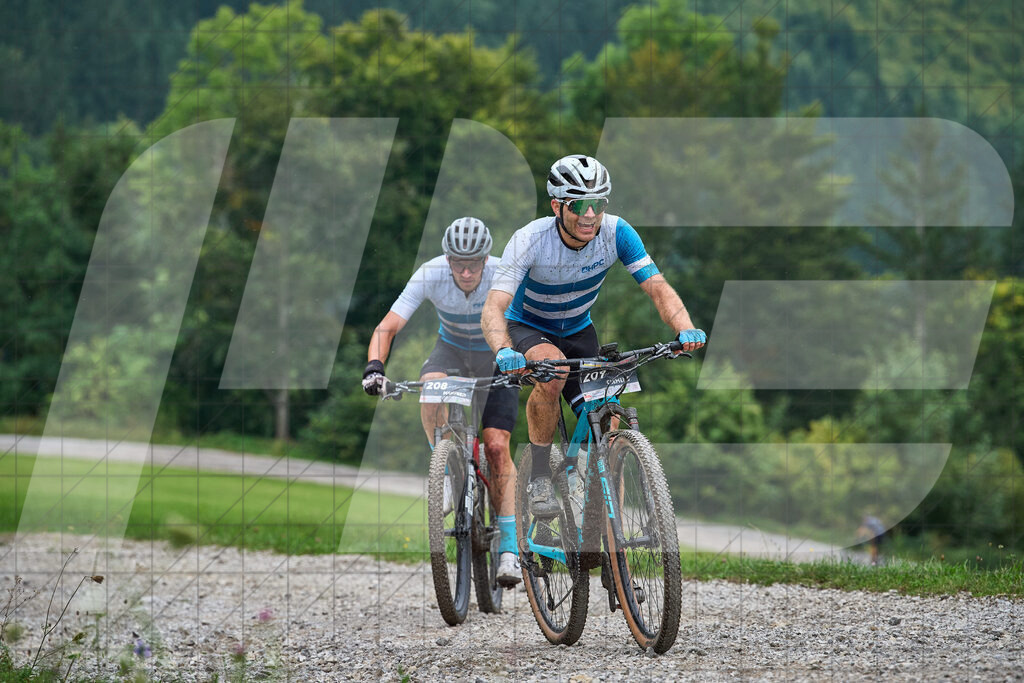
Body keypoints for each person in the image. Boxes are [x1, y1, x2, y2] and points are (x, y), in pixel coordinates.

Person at [481, 154, 706, 518]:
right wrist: (504, 350)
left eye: (598, 204)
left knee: (607, 410)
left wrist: (683, 327)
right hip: (528, 326)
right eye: (579, 205)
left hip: (578, 328)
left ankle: (598, 516)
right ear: (556, 205)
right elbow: (493, 307)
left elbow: (657, 287)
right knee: (553, 372)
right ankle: (539, 475)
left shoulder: (618, 232)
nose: (589, 215)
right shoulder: (529, 240)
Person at [362, 217, 522, 586]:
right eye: (457, 264)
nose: (466, 272)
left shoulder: (504, 273)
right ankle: (448, 468)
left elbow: (530, 319)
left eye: (474, 264)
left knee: (497, 446)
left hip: (498, 355)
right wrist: (374, 367)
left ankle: (510, 551)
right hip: (450, 350)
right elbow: (387, 327)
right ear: (447, 259)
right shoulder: (430, 273)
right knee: (429, 385)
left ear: (486, 259)